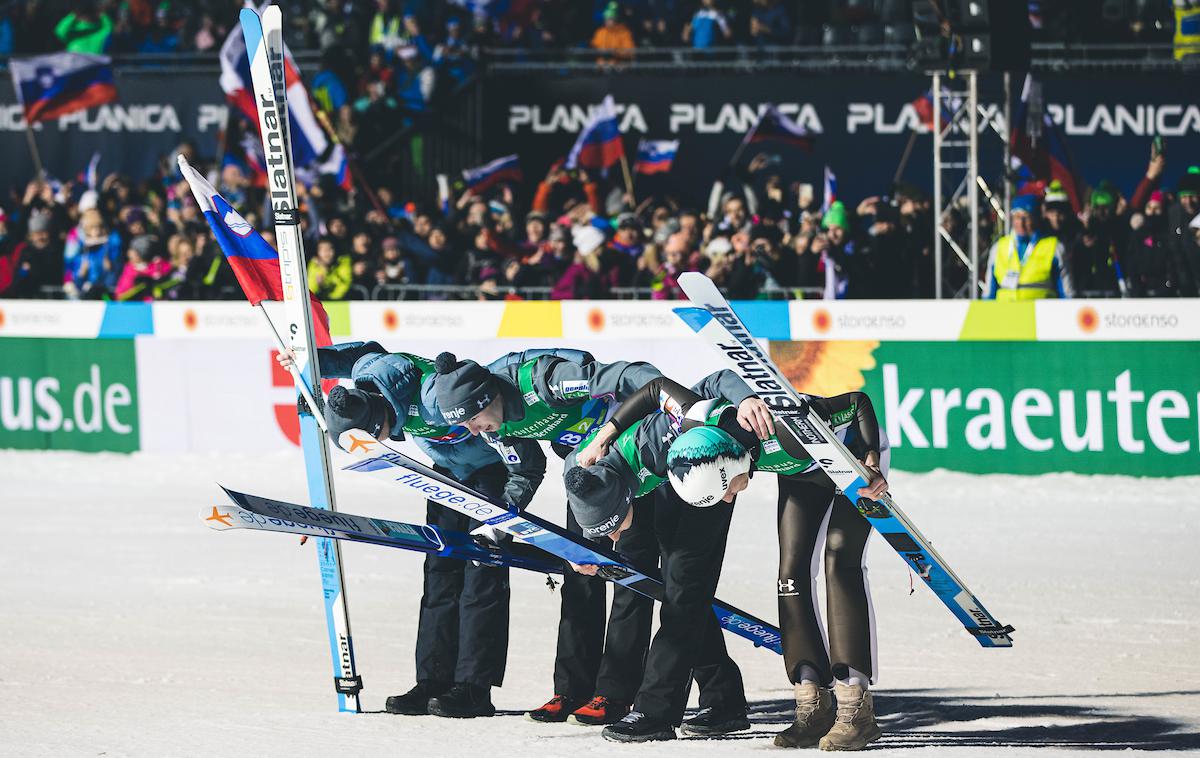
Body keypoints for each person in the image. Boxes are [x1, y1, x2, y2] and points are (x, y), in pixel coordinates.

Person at [430, 351, 766, 728]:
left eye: (473, 420)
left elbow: (641, 376)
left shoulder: (548, 383)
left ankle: (623, 693)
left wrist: (630, 427)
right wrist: (499, 521)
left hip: (648, 462)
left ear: (485, 400)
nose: (473, 432)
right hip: (592, 471)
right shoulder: (497, 428)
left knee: (653, 583)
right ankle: (576, 688)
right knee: (590, 571)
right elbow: (527, 469)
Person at [571, 376, 888, 749]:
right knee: (791, 577)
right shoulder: (690, 432)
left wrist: (871, 459)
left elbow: (858, 402)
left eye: (725, 491)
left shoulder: (782, 430)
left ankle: (856, 709)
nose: (727, 502)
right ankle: (812, 704)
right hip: (799, 471)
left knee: (839, 564)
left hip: (852, 458)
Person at [278, 342, 547, 720]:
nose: (378, 446)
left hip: (492, 478)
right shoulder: (370, 376)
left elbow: (517, 442)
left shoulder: (434, 398)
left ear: (378, 418)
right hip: (445, 474)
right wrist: (312, 361)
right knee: (439, 575)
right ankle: (433, 681)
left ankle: (473, 687)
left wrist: (507, 509)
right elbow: (365, 352)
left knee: (481, 578)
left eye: (373, 439)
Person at [984, 195, 1071, 300]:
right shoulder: (998, 248)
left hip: (1040, 314)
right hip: (1005, 314)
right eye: (1017, 217)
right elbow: (988, 293)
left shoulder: (1054, 247)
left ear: (1035, 218)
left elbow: (1066, 293)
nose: (1021, 223)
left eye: (1026, 217)